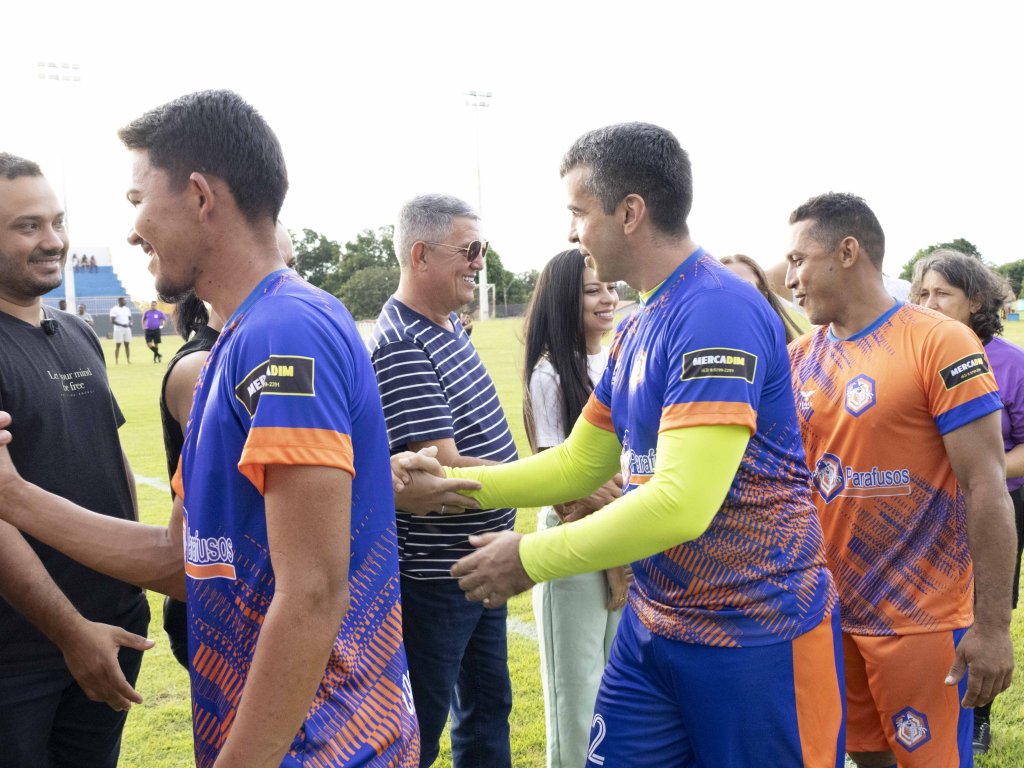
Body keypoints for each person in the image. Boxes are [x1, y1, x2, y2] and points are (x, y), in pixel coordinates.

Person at [0, 90, 419, 768]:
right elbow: (182, 559)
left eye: (138, 200)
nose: (132, 231)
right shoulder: (239, 341)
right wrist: (13, 496)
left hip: (320, 746)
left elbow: (312, 593)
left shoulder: (285, 334)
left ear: (199, 196)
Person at [431, 123, 843, 767]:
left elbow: (681, 504)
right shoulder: (638, 326)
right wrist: (448, 486)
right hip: (655, 627)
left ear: (629, 213)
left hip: (754, 633)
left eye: (578, 212)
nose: (571, 232)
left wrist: (530, 557)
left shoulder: (717, 310)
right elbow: (577, 464)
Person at [785, 193, 1016, 768]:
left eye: (798, 260)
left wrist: (993, 627)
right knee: (866, 757)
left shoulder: (940, 341)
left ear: (847, 252)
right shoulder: (798, 358)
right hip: (830, 613)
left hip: (921, 616)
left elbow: (986, 485)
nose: (790, 280)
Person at [0, 152, 152, 768]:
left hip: (115, 627)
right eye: (28, 226)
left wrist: (135, 582)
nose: (53, 241)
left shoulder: (77, 332)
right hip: (20, 656)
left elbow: (112, 460)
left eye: (57, 221)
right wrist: (70, 632)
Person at [370, 194, 518, 768]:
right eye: (469, 249)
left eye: (482, 247)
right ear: (420, 254)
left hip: (476, 560)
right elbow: (445, 473)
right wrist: (556, 481)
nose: (480, 261)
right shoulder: (403, 344)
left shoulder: (446, 326)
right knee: (421, 730)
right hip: (438, 578)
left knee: (487, 710)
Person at [910, 249, 1024, 756]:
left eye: (943, 293)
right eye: (923, 293)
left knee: (983, 610)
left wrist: (978, 470)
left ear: (975, 300)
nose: (929, 304)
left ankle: (977, 716)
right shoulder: (912, 353)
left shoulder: (1010, 363)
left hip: (994, 505)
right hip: (925, 511)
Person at [522, 248, 626, 768]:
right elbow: (565, 486)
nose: (607, 298)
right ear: (566, 300)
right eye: (591, 290)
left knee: (622, 689)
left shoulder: (624, 358)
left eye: (610, 287)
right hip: (575, 542)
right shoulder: (550, 374)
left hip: (630, 534)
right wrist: (612, 561)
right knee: (576, 695)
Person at [720, 254, 803, 342]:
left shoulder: (792, 348)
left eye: (745, 287)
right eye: (724, 288)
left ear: (764, 297)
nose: (735, 296)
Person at [109, 296, 132, 363]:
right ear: (119, 301)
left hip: (127, 329)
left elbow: (130, 318)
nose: (125, 302)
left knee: (127, 344)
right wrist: (122, 325)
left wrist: (130, 323)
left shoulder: (127, 309)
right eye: (123, 301)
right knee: (118, 345)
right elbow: (112, 321)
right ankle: (116, 360)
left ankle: (128, 360)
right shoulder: (114, 309)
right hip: (118, 329)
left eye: (125, 301)